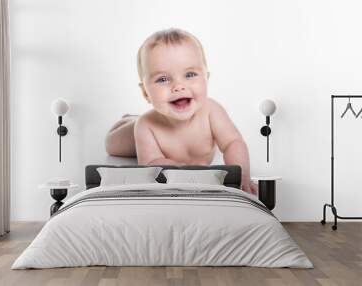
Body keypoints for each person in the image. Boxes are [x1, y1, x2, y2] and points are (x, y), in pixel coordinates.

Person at [105, 28, 257, 194]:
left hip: (158, 118)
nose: (178, 86)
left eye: (190, 74)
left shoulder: (211, 111)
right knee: (113, 144)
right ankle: (128, 120)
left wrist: (241, 177)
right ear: (145, 93)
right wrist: (186, 170)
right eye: (163, 79)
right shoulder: (146, 125)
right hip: (134, 131)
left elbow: (232, 143)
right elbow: (151, 163)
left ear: (207, 78)